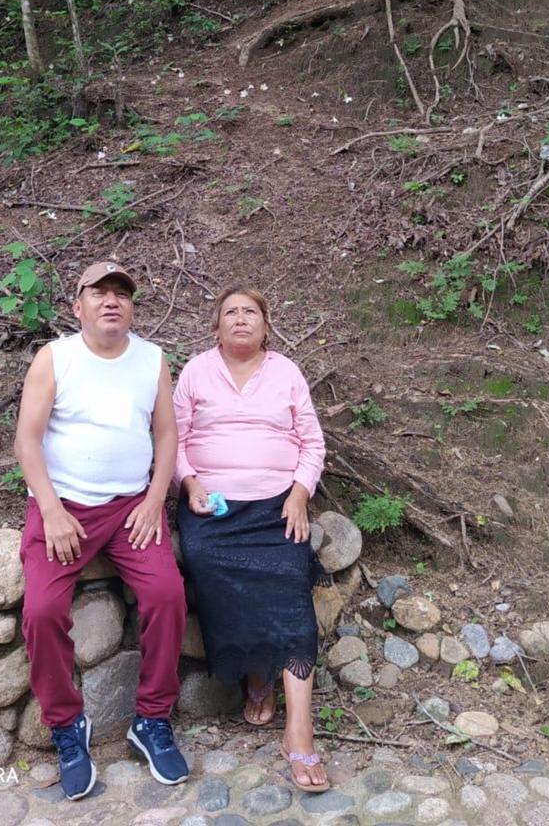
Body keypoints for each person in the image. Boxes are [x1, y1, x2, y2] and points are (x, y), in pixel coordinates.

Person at [15, 260, 188, 801]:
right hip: (63, 507)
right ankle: (68, 726)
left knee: (168, 595)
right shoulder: (55, 358)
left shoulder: (152, 360)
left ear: (131, 308)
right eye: (99, 292)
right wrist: (51, 510)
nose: (112, 300)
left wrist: (155, 499)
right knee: (42, 611)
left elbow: (167, 435)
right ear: (78, 306)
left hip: (133, 506)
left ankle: (152, 719)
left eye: (121, 294)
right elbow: (27, 440)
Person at [173, 286, 329, 793]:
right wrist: (189, 483)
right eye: (230, 312)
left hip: (276, 504)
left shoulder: (286, 372)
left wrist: (300, 494)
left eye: (250, 312)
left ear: (266, 325)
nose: (240, 319)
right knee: (205, 561)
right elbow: (173, 439)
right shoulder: (196, 372)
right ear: (216, 326)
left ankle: (299, 729)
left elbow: (312, 442)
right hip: (213, 507)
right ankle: (257, 674)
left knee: (290, 579)